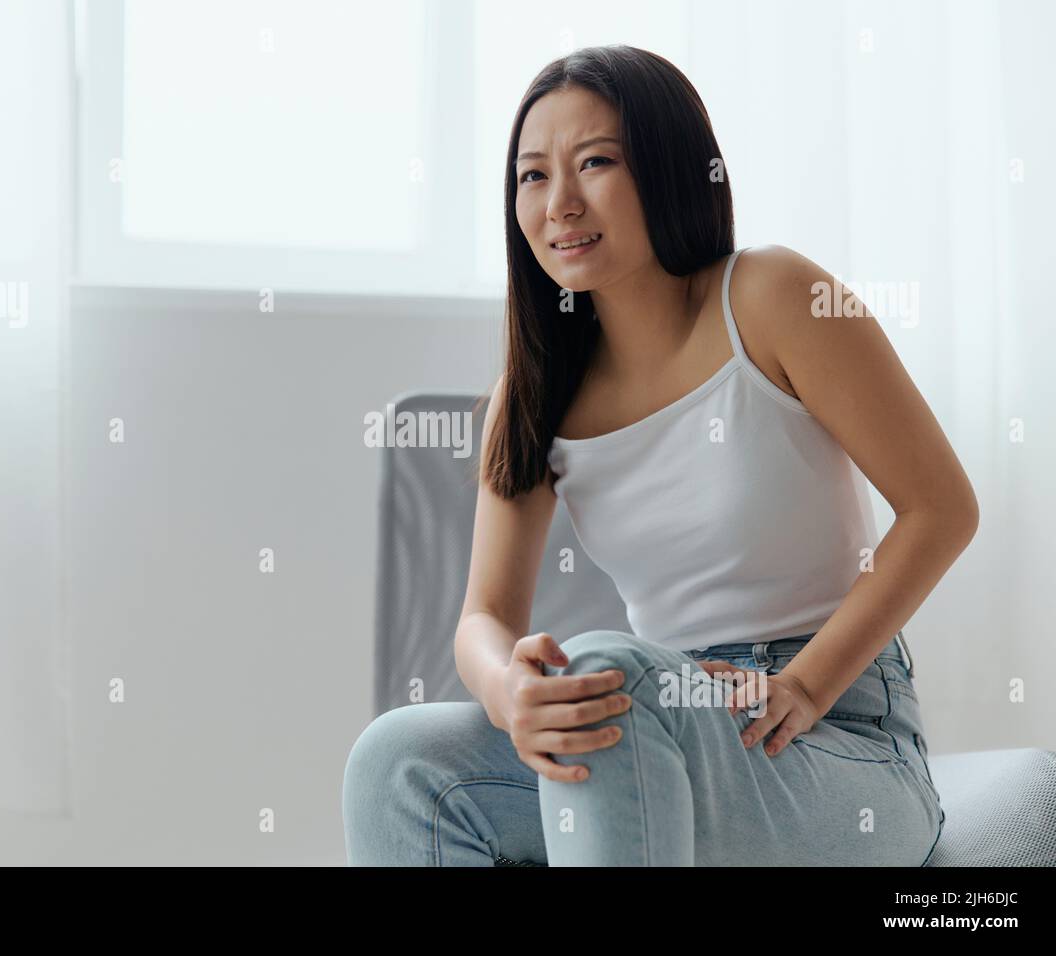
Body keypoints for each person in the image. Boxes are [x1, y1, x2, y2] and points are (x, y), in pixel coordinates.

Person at [342, 45, 977, 866]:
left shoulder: (772, 297)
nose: (559, 202)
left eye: (595, 162)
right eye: (532, 176)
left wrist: (807, 685)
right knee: (397, 760)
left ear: (672, 169)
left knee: (609, 675)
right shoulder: (533, 392)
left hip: (840, 745)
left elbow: (942, 509)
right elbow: (484, 620)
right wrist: (511, 693)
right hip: (658, 731)